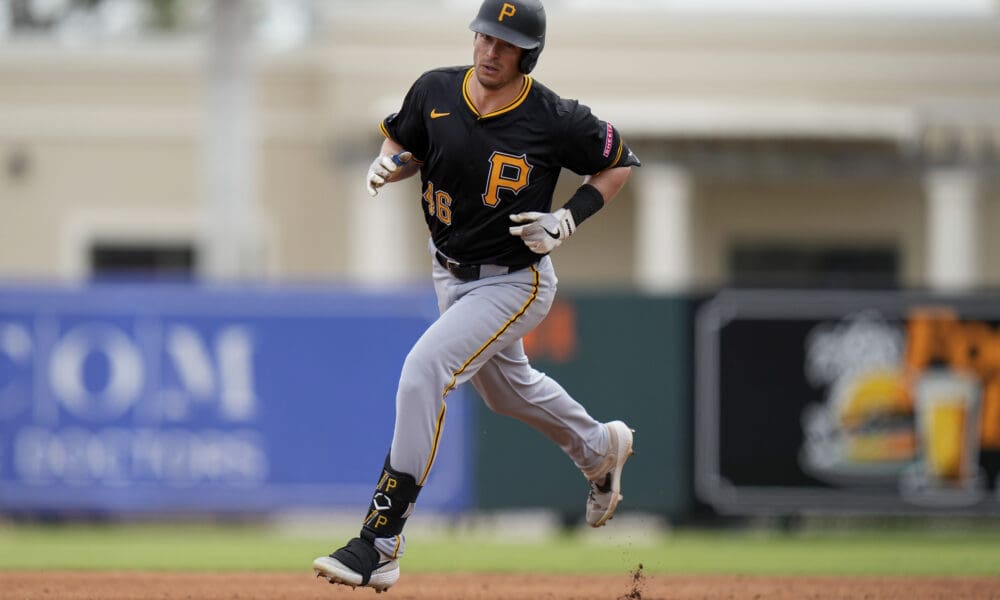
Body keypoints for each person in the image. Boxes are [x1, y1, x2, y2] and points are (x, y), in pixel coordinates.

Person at [313, 0, 640, 592]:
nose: (491, 51)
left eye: (506, 43)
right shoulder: (435, 89)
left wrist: (567, 219)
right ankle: (599, 448)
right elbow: (405, 144)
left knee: (424, 370)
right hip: (450, 272)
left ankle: (380, 542)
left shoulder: (555, 117)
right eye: (486, 36)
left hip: (516, 279)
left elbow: (618, 164)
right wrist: (388, 164)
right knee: (508, 392)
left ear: (528, 55)